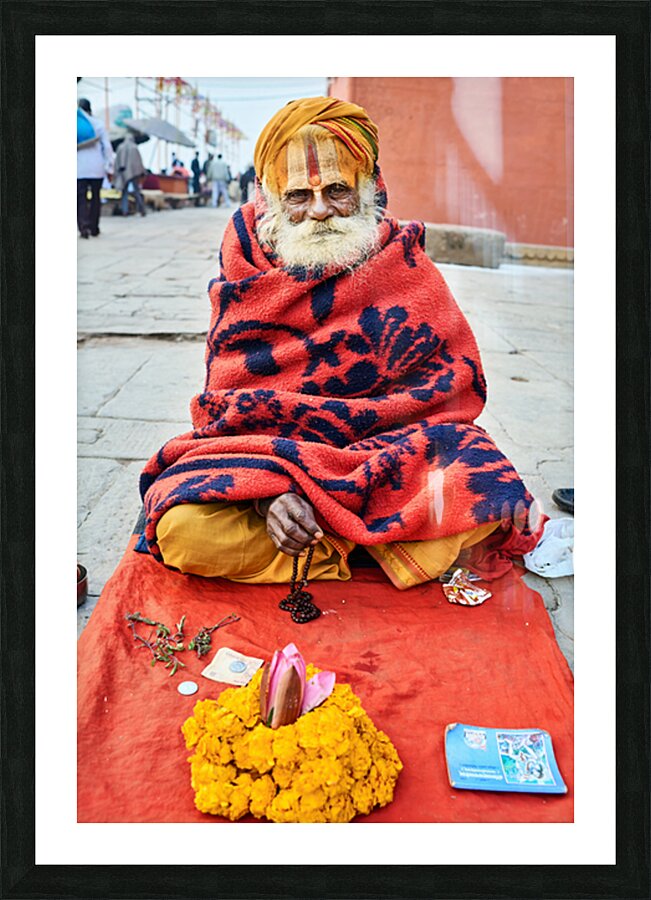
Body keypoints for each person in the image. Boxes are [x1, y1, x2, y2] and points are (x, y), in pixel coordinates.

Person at [140, 97, 543, 590]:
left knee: (485, 489)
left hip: (385, 460)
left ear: (369, 188)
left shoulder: (400, 260)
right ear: (269, 197)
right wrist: (267, 493)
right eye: (297, 196)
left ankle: (332, 548)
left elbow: (452, 392)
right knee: (183, 532)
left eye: (337, 191)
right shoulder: (246, 260)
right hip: (278, 458)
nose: (319, 211)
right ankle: (374, 549)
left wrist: (359, 477)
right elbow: (230, 412)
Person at [76, 98, 114, 238]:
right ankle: (94, 227)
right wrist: (110, 167)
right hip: (97, 167)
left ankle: (83, 228)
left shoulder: (74, 124)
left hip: (78, 168)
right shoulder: (98, 124)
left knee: (80, 198)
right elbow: (108, 148)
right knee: (95, 197)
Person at [113, 133, 146, 217]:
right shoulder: (134, 147)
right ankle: (141, 209)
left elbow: (117, 162)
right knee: (136, 191)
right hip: (134, 173)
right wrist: (142, 172)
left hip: (123, 172)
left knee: (124, 192)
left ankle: (125, 210)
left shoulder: (120, 147)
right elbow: (138, 162)